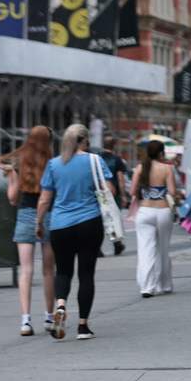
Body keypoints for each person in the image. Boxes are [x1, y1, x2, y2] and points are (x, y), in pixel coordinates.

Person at [36, 123, 110, 341]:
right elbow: (109, 190)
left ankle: (60, 306)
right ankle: (83, 326)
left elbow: (45, 199)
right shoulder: (94, 161)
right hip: (89, 222)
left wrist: (38, 223)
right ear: (84, 140)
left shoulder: (54, 165)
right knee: (86, 273)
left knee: (63, 271)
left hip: (60, 225)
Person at [0, 126, 58, 336]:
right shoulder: (54, 164)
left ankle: (26, 321)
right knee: (49, 270)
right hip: (49, 216)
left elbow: (12, 199)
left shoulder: (19, 164)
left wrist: (12, 176)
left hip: (25, 215)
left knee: (26, 269)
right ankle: (49, 316)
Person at [130, 140, 179, 297]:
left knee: (146, 250)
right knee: (163, 249)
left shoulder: (140, 168)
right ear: (161, 153)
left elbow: (132, 191)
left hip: (145, 211)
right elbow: (171, 191)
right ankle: (165, 284)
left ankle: (147, 286)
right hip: (163, 210)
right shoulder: (167, 168)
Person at [94, 135, 128, 257]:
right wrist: (123, 195)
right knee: (113, 219)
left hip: (99, 193)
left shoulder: (96, 158)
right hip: (113, 194)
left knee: (100, 220)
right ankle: (116, 244)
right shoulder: (117, 160)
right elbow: (120, 179)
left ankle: (97, 248)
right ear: (114, 145)